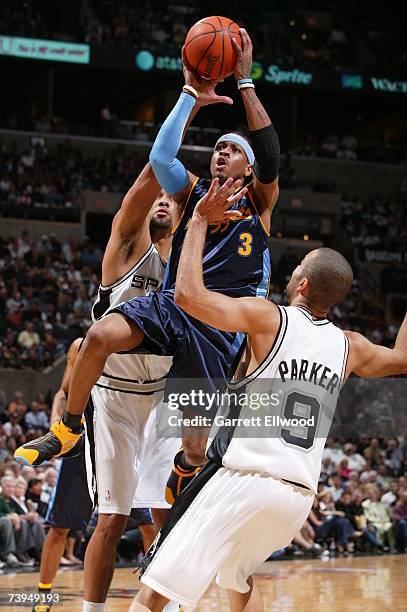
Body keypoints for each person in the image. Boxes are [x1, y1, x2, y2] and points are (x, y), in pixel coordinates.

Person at [16, 28, 280, 506]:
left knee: (195, 448)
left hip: (218, 327)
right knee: (96, 337)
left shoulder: (260, 203)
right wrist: (189, 95)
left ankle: (185, 470)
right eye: (218, 147)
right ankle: (68, 428)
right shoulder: (192, 190)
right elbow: (160, 156)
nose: (221, 152)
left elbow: (272, 154)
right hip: (172, 305)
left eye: (232, 149)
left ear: (248, 165)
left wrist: (245, 84)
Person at [131, 181, 407, 611]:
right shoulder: (352, 346)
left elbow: (186, 297)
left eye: (296, 268)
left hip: (245, 480)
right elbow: (403, 358)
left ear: (301, 284)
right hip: (295, 499)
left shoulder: (269, 319)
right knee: (237, 579)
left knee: (153, 592)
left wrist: (200, 219)